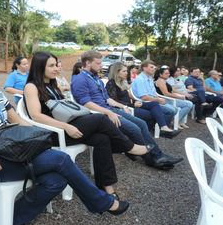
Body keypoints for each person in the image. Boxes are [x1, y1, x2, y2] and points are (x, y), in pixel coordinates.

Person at [0, 48, 129, 225]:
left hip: (10, 150)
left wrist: (39, 138)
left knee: (57, 180)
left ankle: (13, 220)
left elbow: (19, 122)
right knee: (61, 159)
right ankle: (101, 202)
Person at [23, 51, 150, 199]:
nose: (56, 69)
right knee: (101, 118)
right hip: (54, 133)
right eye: (51, 66)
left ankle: (106, 187)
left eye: (56, 65)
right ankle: (129, 147)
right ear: (40, 67)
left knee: (102, 138)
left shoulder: (52, 84)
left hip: (68, 125)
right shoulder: (31, 87)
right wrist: (66, 127)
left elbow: (67, 106)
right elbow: (35, 116)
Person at [71, 50, 183, 170]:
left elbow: (107, 98)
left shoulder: (96, 79)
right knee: (134, 129)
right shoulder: (80, 79)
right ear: (88, 62)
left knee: (142, 123)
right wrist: (109, 112)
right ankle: (152, 159)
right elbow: (86, 104)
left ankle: (158, 155)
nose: (100, 65)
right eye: (98, 63)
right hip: (100, 115)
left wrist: (122, 106)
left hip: (110, 109)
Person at [106, 62, 181, 138]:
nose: (126, 73)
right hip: (126, 108)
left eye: (126, 71)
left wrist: (135, 101)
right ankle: (144, 134)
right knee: (155, 114)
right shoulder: (111, 83)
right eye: (124, 71)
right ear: (116, 72)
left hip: (132, 104)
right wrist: (133, 104)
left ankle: (162, 128)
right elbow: (114, 101)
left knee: (155, 104)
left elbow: (126, 98)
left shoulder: (121, 82)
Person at [131, 60, 178, 127]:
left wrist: (159, 99)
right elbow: (144, 97)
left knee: (175, 109)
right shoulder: (140, 79)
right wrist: (158, 100)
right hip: (145, 103)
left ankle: (159, 126)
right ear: (144, 68)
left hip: (153, 101)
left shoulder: (149, 78)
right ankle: (162, 128)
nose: (154, 69)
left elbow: (154, 92)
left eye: (154, 67)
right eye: (151, 67)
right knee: (171, 111)